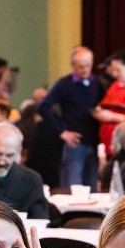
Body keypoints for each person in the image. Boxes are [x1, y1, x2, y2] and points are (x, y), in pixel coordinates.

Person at [38, 46, 105, 190]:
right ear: (73, 65)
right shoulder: (64, 84)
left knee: (92, 190)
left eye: (88, 65)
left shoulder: (96, 83)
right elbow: (43, 106)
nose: (85, 70)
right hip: (75, 145)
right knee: (72, 189)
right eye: (81, 66)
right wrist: (62, 131)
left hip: (93, 144)